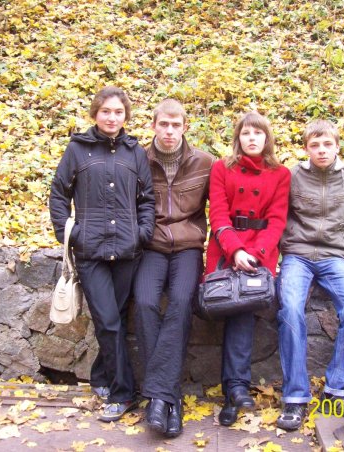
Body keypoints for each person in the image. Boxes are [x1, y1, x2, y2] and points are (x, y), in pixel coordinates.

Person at [49, 86, 155, 422]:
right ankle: (124, 394)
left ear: (126, 116)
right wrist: (71, 235)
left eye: (118, 112)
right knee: (108, 321)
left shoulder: (135, 152)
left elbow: (147, 199)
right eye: (106, 111)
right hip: (91, 252)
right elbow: (58, 195)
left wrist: (142, 233)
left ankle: (101, 377)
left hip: (127, 251)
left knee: (116, 319)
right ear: (95, 113)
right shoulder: (78, 149)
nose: (112, 117)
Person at [276, 119, 344, 430]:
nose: (321, 150)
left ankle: (337, 388)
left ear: (337, 146)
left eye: (327, 144)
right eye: (315, 145)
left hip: (334, 257)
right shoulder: (293, 176)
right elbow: (276, 216)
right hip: (297, 255)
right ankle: (295, 396)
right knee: (290, 309)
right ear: (306, 148)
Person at [133, 99, 214, 437]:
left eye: (175, 125)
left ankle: (157, 399)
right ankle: (170, 399)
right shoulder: (138, 159)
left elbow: (220, 208)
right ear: (153, 125)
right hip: (151, 246)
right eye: (163, 124)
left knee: (181, 303)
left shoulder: (204, 163)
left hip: (188, 247)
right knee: (144, 302)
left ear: (185, 127)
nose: (169, 131)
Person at [206, 112, 291, 426]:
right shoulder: (221, 168)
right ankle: (236, 389)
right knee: (233, 306)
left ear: (267, 138)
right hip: (225, 249)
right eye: (246, 133)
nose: (252, 138)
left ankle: (234, 391)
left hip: (260, 252)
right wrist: (235, 250)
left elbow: (277, 221)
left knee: (241, 307)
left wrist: (254, 253)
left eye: (257, 133)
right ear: (238, 138)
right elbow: (218, 214)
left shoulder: (280, 174)